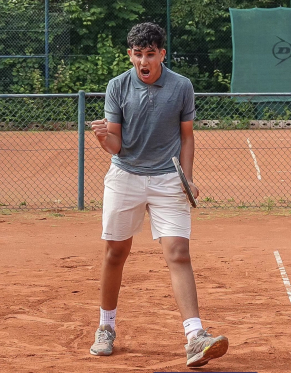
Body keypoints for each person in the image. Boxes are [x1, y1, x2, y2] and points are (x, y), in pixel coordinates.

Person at [90, 22, 228, 368]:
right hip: (125, 176)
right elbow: (117, 145)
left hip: (169, 179)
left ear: (162, 54)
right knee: (115, 253)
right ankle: (106, 327)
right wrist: (103, 138)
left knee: (179, 252)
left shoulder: (181, 86)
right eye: (138, 55)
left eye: (150, 54)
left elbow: (187, 136)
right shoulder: (117, 87)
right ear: (130, 55)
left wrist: (188, 177)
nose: (144, 61)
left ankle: (195, 337)